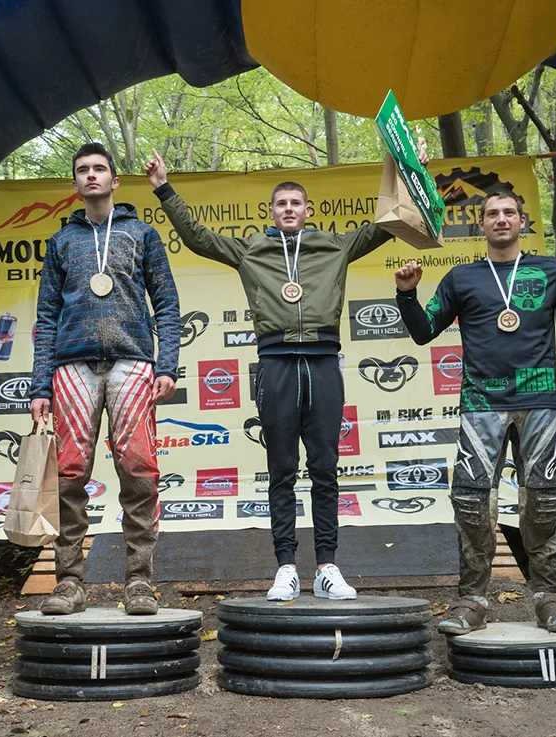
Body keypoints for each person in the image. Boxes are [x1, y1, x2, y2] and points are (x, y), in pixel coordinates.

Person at [145, 142, 428, 601]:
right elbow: (197, 237)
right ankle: (286, 568)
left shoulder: (335, 245)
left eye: (296, 202)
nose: (289, 208)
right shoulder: (251, 250)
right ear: (272, 212)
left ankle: (328, 567)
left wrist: (413, 173)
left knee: (325, 469)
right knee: (280, 470)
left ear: (308, 210)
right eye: (282, 203)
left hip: (323, 364)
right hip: (276, 364)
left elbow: (388, 223)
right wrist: (163, 188)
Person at [395, 189, 556, 633]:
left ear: (522, 221)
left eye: (509, 212)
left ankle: (547, 597)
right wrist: (406, 294)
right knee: (471, 500)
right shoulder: (461, 277)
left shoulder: (549, 271)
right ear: (481, 224)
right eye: (492, 213)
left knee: (545, 499)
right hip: (482, 403)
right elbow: (423, 331)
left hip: (539, 402)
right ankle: (472, 600)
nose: (501, 219)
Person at [29, 142, 181, 616]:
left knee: (138, 470)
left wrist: (167, 364)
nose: (91, 175)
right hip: (72, 366)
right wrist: (39, 385)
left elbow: (168, 304)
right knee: (69, 473)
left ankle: (139, 582)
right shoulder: (61, 242)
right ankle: (69, 581)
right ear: (75, 183)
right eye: (83, 170)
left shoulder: (142, 234)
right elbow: (45, 318)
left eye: (99, 169)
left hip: (132, 362)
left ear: (114, 181)